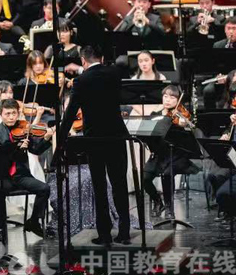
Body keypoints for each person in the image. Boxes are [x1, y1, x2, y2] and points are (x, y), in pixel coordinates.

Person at [56, 45, 132, 245]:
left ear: (83, 60)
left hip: (94, 139)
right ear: (102, 58)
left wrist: (61, 140)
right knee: (120, 185)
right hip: (116, 136)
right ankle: (124, 232)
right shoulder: (114, 73)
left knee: (100, 187)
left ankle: (104, 234)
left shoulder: (81, 80)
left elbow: (71, 112)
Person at [0, 99, 52, 242]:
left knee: (44, 188)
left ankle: (33, 221)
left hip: (21, 175)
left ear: (18, 113)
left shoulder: (24, 129)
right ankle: (0, 229)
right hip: (3, 176)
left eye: (14, 113)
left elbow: (35, 149)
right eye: (7, 114)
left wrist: (46, 139)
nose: (11, 117)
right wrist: (16, 148)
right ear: (0, 114)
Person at [142, 85, 200, 219]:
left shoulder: (180, 116)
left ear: (178, 100)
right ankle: (158, 201)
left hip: (177, 156)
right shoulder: (154, 116)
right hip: (159, 155)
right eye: (165, 96)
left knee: (167, 174)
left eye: (172, 97)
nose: (168, 100)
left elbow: (189, 135)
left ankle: (169, 207)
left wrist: (184, 126)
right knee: (145, 178)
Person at [130, 50, 166, 116]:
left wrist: (154, 112)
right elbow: (133, 101)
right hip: (139, 112)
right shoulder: (134, 79)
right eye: (140, 61)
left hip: (157, 111)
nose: (143, 64)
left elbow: (164, 99)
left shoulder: (161, 78)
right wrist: (143, 113)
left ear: (153, 61)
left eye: (146, 60)